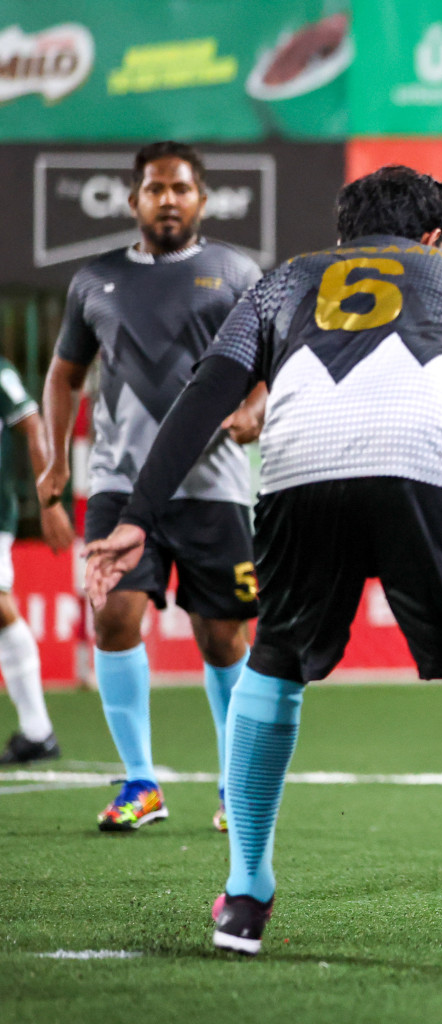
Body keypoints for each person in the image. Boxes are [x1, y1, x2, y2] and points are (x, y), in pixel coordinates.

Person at [85, 165, 442, 976]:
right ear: (433, 235)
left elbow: (205, 396)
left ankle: (245, 899)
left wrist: (136, 517)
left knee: (277, 660)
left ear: (345, 234)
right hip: (435, 467)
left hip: (296, 475)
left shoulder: (284, 279)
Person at [39, 141, 267, 832]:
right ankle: (140, 781)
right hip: (117, 482)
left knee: (224, 637)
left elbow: (269, 361)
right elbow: (63, 375)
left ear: (201, 198)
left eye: (181, 188)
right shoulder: (93, 281)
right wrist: (54, 462)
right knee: (113, 619)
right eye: (155, 189)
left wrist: (257, 405)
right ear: (133, 198)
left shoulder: (235, 272)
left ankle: (234, 788)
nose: (168, 199)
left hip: (216, 484)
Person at [0, 357, 74, 764]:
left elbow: (33, 424)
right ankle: (37, 732)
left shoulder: (1, 373)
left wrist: (49, 502)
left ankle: (38, 731)